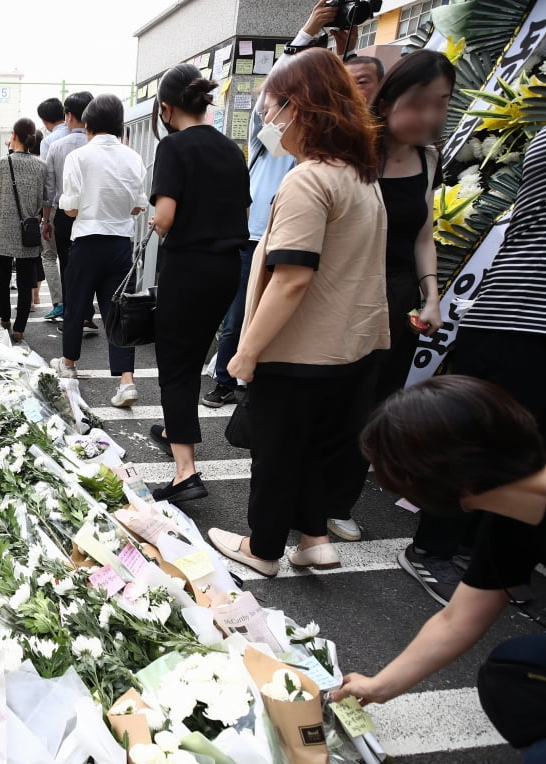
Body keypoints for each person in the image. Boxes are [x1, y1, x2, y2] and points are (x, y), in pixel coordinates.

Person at [206, 47, 389, 577]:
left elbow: (291, 277)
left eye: (273, 105)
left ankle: (262, 550)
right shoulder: (360, 175)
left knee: (276, 452)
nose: (267, 117)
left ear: (300, 107)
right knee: (312, 451)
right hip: (349, 348)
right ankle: (314, 540)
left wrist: (245, 353)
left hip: (299, 348)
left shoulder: (309, 179)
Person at [334, 375, 546, 764]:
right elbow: (458, 618)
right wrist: (380, 687)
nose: (383, 482)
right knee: (512, 672)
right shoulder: (511, 515)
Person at [396, 119, 546, 605]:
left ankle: (482, 555)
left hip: (526, 321)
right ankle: (433, 549)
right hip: (520, 315)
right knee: (482, 440)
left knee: (527, 449)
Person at [327, 50, 452, 542]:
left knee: (375, 405)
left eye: (441, 103)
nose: (430, 116)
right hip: (342, 290)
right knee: (332, 398)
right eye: (419, 102)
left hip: (397, 298)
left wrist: (432, 297)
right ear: (390, 98)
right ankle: (303, 497)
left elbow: (423, 235)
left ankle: (338, 502)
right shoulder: (355, 149)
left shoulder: (429, 158)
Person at [205, 0, 349, 410]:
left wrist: (339, 46)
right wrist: (305, 34)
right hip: (256, 237)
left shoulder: (325, 155)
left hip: (303, 239)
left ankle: (252, 377)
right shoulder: (267, 141)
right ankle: (227, 379)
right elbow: (272, 95)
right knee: (241, 314)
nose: (271, 112)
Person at [147, 64, 250, 504]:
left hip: (187, 267)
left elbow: (165, 219)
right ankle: (174, 427)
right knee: (195, 352)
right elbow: (242, 216)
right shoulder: (233, 150)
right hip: (227, 268)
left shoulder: (173, 148)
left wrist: (156, 221)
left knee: (177, 365)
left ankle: (185, 472)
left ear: (167, 108)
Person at [54, 94, 146, 407]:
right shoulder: (133, 157)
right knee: (119, 313)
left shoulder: (79, 157)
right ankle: (126, 381)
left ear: (88, 124)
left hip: (87, 240)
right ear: (119, 125)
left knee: (77, 305)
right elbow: (137, 206)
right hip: (121, 243)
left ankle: (68, 366)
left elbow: (69, 208)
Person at [0, 118, 47, 343]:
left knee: (3, 278)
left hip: (3, 231)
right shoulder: (41, 166)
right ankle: (20, 328)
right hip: (28, 232)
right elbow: (42, 200)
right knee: (25, 282)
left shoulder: (2, 164)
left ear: (14, 136)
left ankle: (5, 320)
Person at [42, 91, 96, 330]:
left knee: (67, 264)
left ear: (69, 115)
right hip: (94, 213)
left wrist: (46, 220)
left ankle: (73, 314)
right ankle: (87, 313)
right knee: (91, 263)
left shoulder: (56, 145)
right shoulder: (97, 144)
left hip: (65, 214)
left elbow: (50, 188)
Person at [36, 97, 67, 316]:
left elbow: (48, 182)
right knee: (72, 257)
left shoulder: (50, 141)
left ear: (45, 120)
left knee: (48, 255)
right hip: (81, 209)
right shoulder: (86, 136)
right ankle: (78, 306)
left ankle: (58, 302)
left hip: (56, 206)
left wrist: (45, 218)